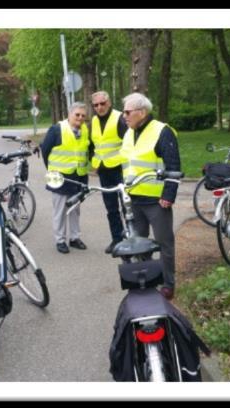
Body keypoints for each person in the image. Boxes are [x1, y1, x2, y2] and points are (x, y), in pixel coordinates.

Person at [119, 92, 180, 301]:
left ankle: (168, 284)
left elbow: (173, 166)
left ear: (142, 112)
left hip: (156, 201)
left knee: (164, 244)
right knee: (139, 243)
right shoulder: (129, 133)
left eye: (127, 112)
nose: (124, 116)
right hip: (134, 199)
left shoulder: (162, 132)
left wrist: (168, 194)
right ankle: (147, 278)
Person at [40, 102, 90, 254]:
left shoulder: (85, 130)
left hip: (79, 176)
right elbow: (45, 150)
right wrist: (51, 170)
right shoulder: (56, 130)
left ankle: (75, 238)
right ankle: (60, 240)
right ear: (69, 114)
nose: (80, 118)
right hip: (58, 177)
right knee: (60, 211)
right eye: (77, 115)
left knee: (75, 209)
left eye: (83, 115)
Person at [89, 91, 127, 254]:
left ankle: (133, 239)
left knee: (128, 207)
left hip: (121, 170)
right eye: (96, 105)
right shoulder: (93, 121)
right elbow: (91, 146)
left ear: (109, 103)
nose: (99, 107)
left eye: (102, 103)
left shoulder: (120, 118)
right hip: (104, 172)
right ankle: (117, 240)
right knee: (111, 208)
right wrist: (94, 162)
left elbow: (130, 142)